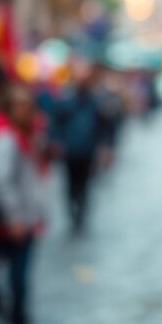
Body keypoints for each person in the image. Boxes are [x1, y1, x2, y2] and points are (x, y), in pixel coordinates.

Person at [0, 83, 45, 324]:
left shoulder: (25, 133)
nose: (24, 110)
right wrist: (15, 218)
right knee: (15, 277)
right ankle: (14, 319)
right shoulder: (6, 137)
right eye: (19, 105)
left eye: (27, 105)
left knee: (19, 277)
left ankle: (18, 321)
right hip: (11, 220)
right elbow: (3, 181)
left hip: (24, 216)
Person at [50, 60, 106, 233]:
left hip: (87, 149)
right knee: (70, 183)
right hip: (70, 149)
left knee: (84, 184)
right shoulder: (65, 100)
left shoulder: (95, 100)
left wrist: (104, 147)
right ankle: (74, 213)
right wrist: (56, 141)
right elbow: (56, 123)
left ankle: (81, 212)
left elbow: (102, 125)